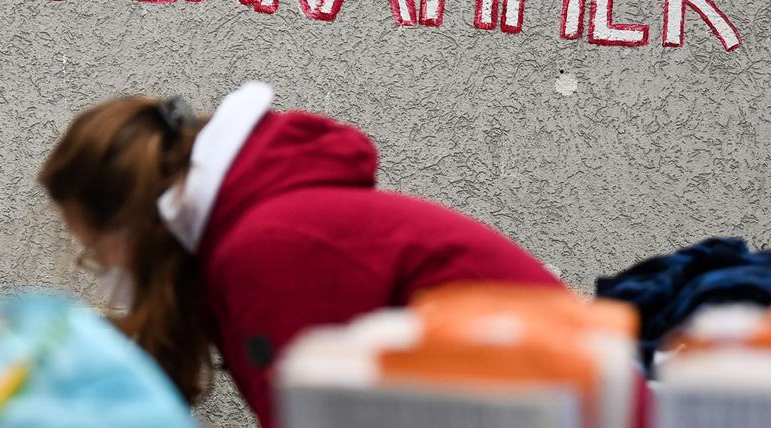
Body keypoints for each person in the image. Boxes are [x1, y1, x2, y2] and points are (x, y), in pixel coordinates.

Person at [38, 82, 564, 427]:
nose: (104, 271)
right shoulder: (257, 235)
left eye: (95, 252)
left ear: (135, 222)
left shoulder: (265, 250)